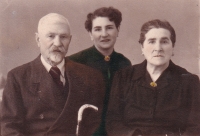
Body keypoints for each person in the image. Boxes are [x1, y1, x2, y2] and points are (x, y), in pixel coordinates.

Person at [1, 13, 105, 136]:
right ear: (38, 39)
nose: (57, 43)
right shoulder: (18, 77)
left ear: (70, 40)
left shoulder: (90, 76)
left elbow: (96, 126)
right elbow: (8, 127)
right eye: (51, 36)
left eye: (63, 37)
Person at [106, 19, 200, 136]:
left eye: (164, 41)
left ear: (173, 46)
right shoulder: (123, 77)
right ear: (142, 47)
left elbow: (195, 128)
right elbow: (112, 122)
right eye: (151, 41)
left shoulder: (189, 81)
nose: (158, 48)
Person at [68, 7, 131, 135]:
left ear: (117, 30)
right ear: (91, 34)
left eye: (109, 28)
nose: (104, 34)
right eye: (97, 29)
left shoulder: (124, 63)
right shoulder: (75, 62)